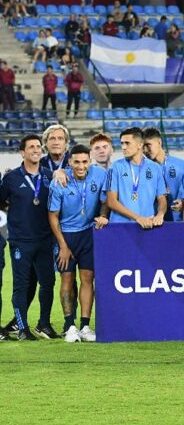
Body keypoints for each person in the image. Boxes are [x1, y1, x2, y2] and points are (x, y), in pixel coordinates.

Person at [47, 144, 108, 342]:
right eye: (76, 162)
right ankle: (69, 325)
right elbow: (53, 216)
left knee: (88, 278)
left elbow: (106, 200)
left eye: (84, 161)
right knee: (66, 279)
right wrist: (63, 246)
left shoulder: (99, 175)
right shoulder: (59, 181)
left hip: (89, 234)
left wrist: (102, 215)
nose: (81, 166)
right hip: (66, 235)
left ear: (89, 160)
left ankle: (84, 326)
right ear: (69, 162)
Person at [0, 135, 57, 340]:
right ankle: (22, 328)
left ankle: (44, 324)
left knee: (48, 282)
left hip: (44, 239)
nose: (35, 149)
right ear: (22, 152)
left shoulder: (50, 176)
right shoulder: (11, 178)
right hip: (20, 242)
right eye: (31, 147)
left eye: (38, 146)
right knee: (21, 285)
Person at [105, 127, 167, 228]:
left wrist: (160, 215)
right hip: (120, 226)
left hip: (147, 224)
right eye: (122, 143)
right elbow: (111, 201)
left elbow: (161, 198)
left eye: (127, 143)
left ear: (140, 145)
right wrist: (138, 218)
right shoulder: (115, 167)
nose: (123, 147)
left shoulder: (155, 168)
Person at [143, 128, 184, 222]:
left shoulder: (181, 165)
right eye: (142, 146)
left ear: (159, 142)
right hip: (153, 220)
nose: (145, 150)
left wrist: (182, 200)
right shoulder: (141, 169)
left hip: (177, 219)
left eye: (148, 145)